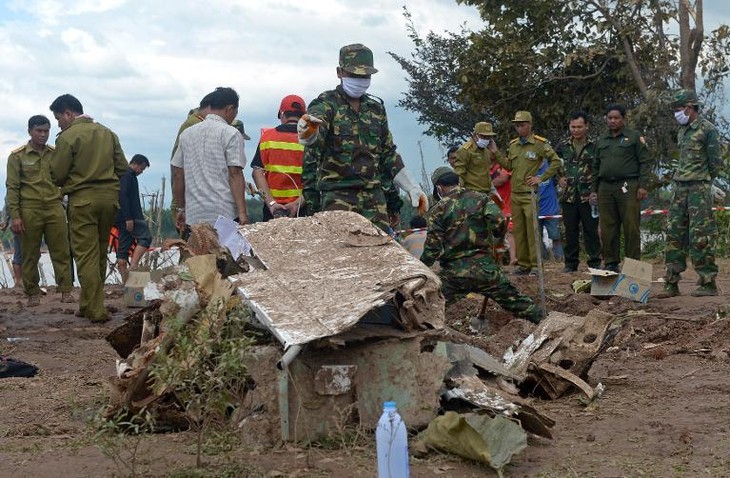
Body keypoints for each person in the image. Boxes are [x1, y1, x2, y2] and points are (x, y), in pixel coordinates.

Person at [298, 43, 427, 232]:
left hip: (374, 199)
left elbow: (388, 154)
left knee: (380, 254)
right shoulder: (326, 105)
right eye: (354, 74)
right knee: (343, 256)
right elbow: (313, 142)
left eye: (365, 76)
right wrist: (309, 133)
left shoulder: (376, 109)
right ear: (339, 72)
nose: (360, 79)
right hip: (338, 197)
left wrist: (412, 187)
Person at [422, 167, 543, 324]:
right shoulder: (481, 199)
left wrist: (422, 268)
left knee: (431, 310)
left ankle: (424, 336)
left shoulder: (438, 209)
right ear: (458, 181)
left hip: (454, 274)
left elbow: (433, 246)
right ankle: (548, 324)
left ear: (438, 188)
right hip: (486, 269)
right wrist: (498, 238)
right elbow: (499, 222)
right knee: (518, 303)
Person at [50, 95, 128, 322]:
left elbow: (58, 174)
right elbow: (123, 167)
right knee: (99, 252)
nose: (58, 124)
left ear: (68, 113)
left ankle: (96, 309)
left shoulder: (68, 137)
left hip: (83, 200)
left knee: (85, 256)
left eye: (58, 118)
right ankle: (87, 304)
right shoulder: (107, 133)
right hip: (109, 200)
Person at [657, 89, 723, 298]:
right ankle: (671, 283)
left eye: (678, 109)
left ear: (689, 107)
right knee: (674, 234)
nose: (677, 113)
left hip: (699, 190)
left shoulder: (707, 129)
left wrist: (703, 181)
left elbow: (715, 163)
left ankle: (708, 282)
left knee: (701, 236)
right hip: (680, 188)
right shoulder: (682, 130)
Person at [5, 116, 75, 306]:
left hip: (54, 208)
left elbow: (67, 177)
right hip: (29, 209)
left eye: (46, 131)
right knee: (30, 253)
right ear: (30, 131)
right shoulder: (17, 156)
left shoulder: (55, 153)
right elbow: (12, 188)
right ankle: (32, 293)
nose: (43, 135)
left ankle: (66, 291)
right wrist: (16, 217)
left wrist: (62, 194)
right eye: (39, 131)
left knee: (61, 251)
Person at [493, 111, 560, 275]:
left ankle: (536, 265)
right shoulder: (514, 145)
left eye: (522, 125)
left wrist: (541, 177)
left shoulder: (539, 144)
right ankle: (523, 265)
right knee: (518, 230)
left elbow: (555, 161)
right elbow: (509, 166)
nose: (519, 128)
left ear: (530, 125)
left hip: (529, 193)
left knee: (532, 230)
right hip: (515, 194)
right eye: (517, 125)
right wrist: (495, 152)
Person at [172, 87, 249, 229]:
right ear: (230, 109)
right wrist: (242, 213)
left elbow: (177, 174)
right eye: (235, 112)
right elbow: (235, 174)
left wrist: (181, 209)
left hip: (194, 216)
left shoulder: (186, 134)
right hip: (225, 214)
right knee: (225, 251)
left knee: (199, 251)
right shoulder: (231, 133)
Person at [590, 104, 651, 272]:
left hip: (628, 186)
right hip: (605, 187)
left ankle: (633, 264)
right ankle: (611, 262)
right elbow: (595, 166)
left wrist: (643, 186)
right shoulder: (602, 140)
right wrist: (594, 190)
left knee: (631, 226)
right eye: (610, 118)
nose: (613, 121)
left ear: (623, 119)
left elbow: (645, 162)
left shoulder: (633, 137)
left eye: (616, 118)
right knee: (608, 227)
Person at [556, 112, 601, 272]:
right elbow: (552, 163)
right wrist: (558, 178)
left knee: (591, 230)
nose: (576, 130)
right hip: (568, 196)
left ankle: (595, 262)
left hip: (588, 196)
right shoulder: (562, 146)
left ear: (586, 126)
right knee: (570, 231)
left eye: (579, 127)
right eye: (573, 127)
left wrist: (596, 191)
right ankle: (570, 264)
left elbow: (600, 168)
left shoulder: (595, 146)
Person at [251, 95, 307, 221]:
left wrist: (271, 204)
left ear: (282, 114)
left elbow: (257, 173)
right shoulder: (311, 139)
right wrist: (297, 204)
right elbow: (317, 178)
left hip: (273, 211)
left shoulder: (267, 137)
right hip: (303, 208)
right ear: (304, 116)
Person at [115, 154, 152, 283]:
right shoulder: (128, 175)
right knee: (146, 237)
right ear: (135, 163)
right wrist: (128, 217)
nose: (141, 172)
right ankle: (134, 266)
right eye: (141, 168)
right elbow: (123, 196)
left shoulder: (124, 175)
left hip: (121, 218)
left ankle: (126, 282)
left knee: (124, 247)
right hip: (131, 217)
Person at [453, 122, 498, 193]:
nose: (486, 139)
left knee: (501, 203)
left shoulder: (486, 150)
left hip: (488, 191)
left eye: (489, 137)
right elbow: (459, 174)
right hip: (473, 193)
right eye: (483, 136)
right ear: (474, 135)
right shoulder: (465, 150)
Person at [536, 159, 564, 262]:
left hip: (551, 209)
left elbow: (561, 177)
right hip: (535, 209)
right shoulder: (528, 168)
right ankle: (543, 259)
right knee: (537, 238)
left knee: (555, 235)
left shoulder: (550, 166)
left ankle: (559, 258)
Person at [490, 162, 516, 265]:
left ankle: (513, 259)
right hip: (493, 206)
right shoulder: (483, 169)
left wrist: (486, 182)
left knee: (509, 232)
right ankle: (497, 261)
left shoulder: (501, 166)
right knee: (494, 234)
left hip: (506, 206)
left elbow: (503, 178)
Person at [0, 206, 23, 287]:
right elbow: (8, 205)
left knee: (20, 252)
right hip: (18, 224)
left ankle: (20, 281)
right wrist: (4, 222)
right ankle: (20, 281)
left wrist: (4, 222)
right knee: (20, 253)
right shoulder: (13, 195)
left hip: (16, 223)